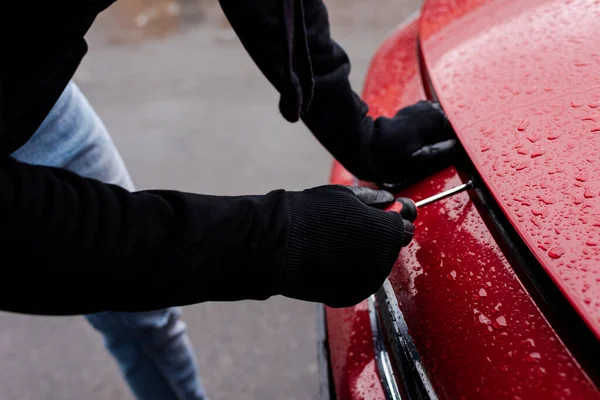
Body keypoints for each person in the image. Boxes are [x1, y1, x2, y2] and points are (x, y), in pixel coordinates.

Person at [0, 1, 456, 399]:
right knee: (108, 283)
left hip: (39, 92)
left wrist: (359, 135)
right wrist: (274, 240)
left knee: (143, 316)